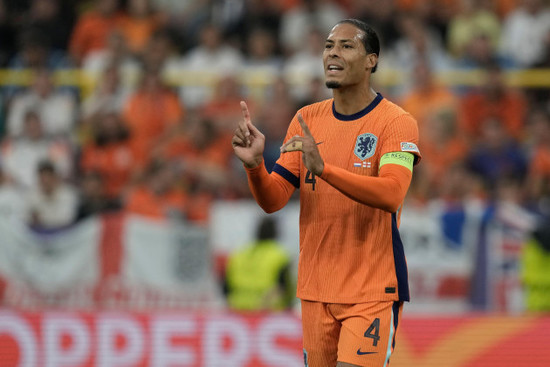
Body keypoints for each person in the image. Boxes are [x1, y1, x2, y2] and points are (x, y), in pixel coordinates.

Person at [232, 18, 421, 367]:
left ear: (371, 60)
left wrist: (325, 170)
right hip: (316, 290)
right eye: (328, 46)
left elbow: (392, 194)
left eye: (347, 46)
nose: (333, 53)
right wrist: (255, 165)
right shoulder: (307, 119)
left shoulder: (396, 122)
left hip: (371, 289)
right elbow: (274, 200)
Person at [224, 216, 293, 311]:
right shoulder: (280, 255)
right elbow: (286, 288)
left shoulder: (239, 253)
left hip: (238, 310)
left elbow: (226, 287)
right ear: (276, 232)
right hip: (267, 312)